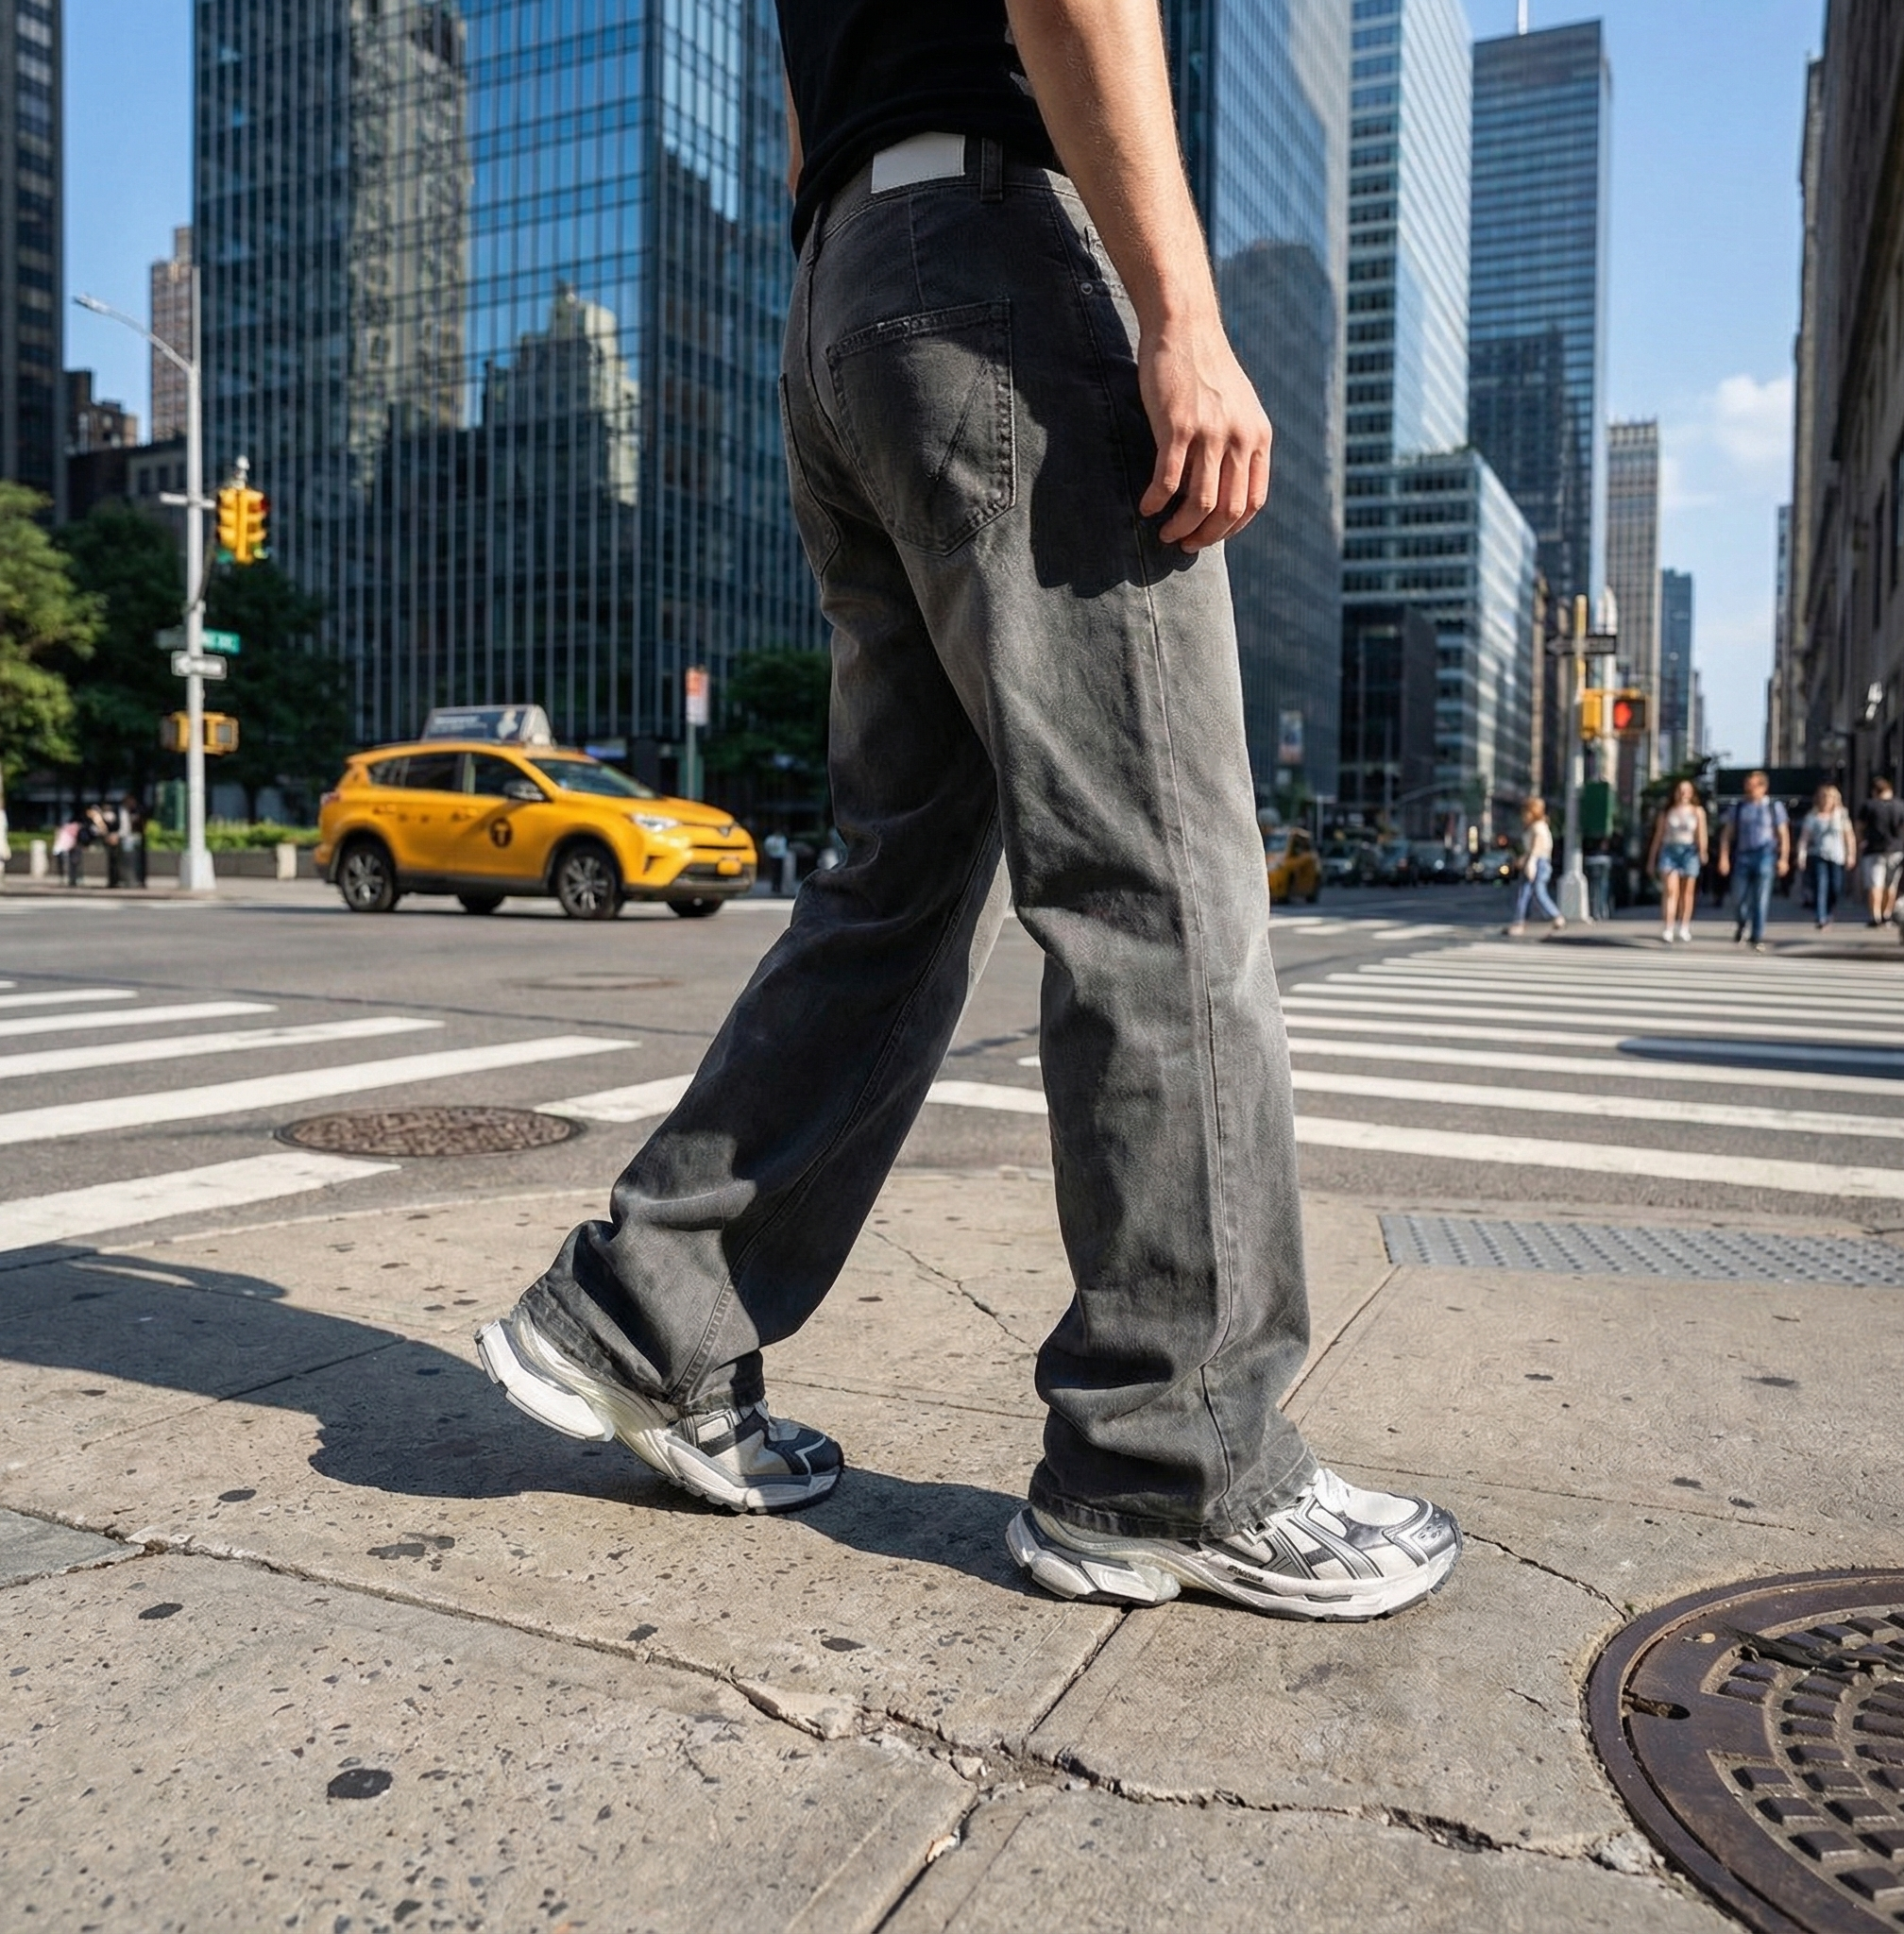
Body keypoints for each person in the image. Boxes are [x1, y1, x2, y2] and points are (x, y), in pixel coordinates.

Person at [472, 0, 1460, 1623]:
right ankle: (1171, 1456)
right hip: (1001, 270)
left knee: (905, 871)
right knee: (1156, 872)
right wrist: (1178, 312)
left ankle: (647, 1310)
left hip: (849, 296)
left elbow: (808, 115)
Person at [1719, 770, 1790, 952]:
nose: (1749, 789)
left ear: (1763, 787)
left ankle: (1756, 935)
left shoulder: (1774, 807)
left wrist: (1783, 859)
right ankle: (1742, 922)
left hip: (1765, 854)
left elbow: (1783, 834)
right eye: (1747, 785)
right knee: (1738, 898)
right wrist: (1724, 857)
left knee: (1760, 898)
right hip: (1743, 855)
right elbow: (1728, 834)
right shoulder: (1739, 808)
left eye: (1753, 785)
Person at [1645, 780, 1708, 943]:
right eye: (1680, 790)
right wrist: (1652, 859)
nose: (1683, 793)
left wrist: (1702, 852)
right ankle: (1668, 927)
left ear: (1692, 793)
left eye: (1687, 790)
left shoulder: (1697, 811)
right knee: (1670, 890)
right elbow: (1658, 836)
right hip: (1669, 850)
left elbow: (1701, 834)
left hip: (1689, 851)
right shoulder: (1667, 812)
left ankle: (1684, 926)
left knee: (1687, 892)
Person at [1857, 775, 1904, 926]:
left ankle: (1874, 916)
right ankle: (1887, 914)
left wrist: (1860, 842)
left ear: (1874, 791)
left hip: (1873, 850)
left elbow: (1859, 827)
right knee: (1891, 885)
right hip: (1896, 850)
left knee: (1875, 885)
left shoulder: (1868, 806)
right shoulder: (1901, 805)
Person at [1795, 784, 1854, 931]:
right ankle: (1821, 917)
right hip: (1818, 854)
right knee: (1821, 886)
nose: (1827, 800)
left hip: (1837, 856)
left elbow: (1849, 836)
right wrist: (1801, 855)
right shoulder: (1812, 816)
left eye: (1830, 797)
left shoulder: (1841, 815)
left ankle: (1829, 912)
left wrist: (1851, 854)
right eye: (1824, 797)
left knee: (1835, 887)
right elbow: (1804, 838)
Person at [1505, 798, 1565, 937]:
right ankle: (1555, 917)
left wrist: (1530, 862)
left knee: (1530, 892)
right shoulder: (1539, 826)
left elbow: (1537, 848)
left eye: (1526, 812)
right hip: (1539, 861)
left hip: (1539, 862)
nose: (1523, 816)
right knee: (1530, 892)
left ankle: (1521, 923)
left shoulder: (1537, 827)